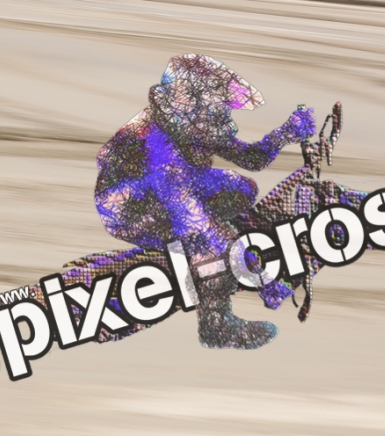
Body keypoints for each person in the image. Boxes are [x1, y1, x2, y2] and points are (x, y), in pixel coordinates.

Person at [93, 54, 316, 350]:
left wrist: (285, 133)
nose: (223, 115)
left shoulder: (193, 124)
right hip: (130, 208)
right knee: (205, 245)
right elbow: (198, 225)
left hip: (174, 184)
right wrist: (263, 278)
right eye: (217, 108)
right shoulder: (163, 153)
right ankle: (215, 324)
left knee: (242, 190)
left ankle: (211, 250)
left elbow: (251, 159)